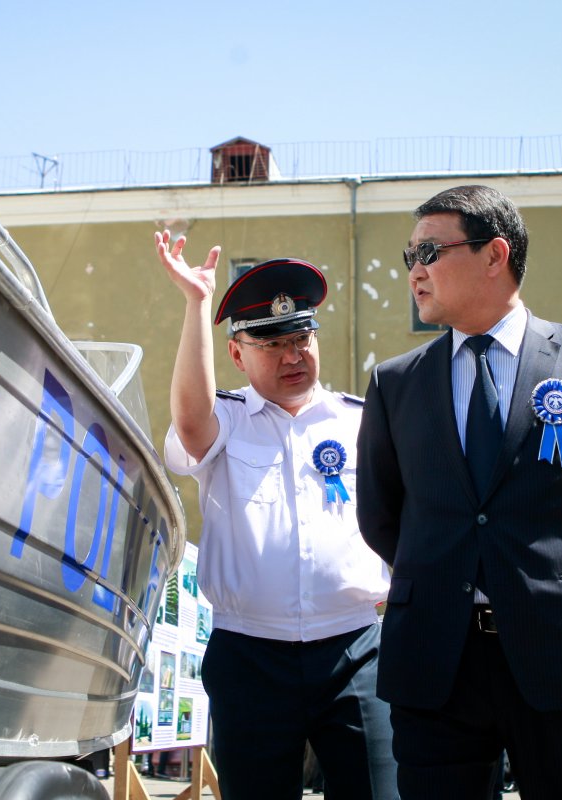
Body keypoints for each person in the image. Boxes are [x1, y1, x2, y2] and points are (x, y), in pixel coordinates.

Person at [356, 185, 562, 800]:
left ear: (495, 255)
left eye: (430, 252)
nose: (415, 271)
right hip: (436, 663)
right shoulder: (395, 384)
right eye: (409, 256)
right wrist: (449, 576)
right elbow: (381, 516)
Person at [154, 230, 398, 800]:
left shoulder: (361, 421)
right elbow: (190, 425)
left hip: (355, 646)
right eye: (271, 343)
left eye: (301, 338)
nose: (292, 356)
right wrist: (196, 304)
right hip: (251, 654)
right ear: (237, 354)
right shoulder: (226, 420)